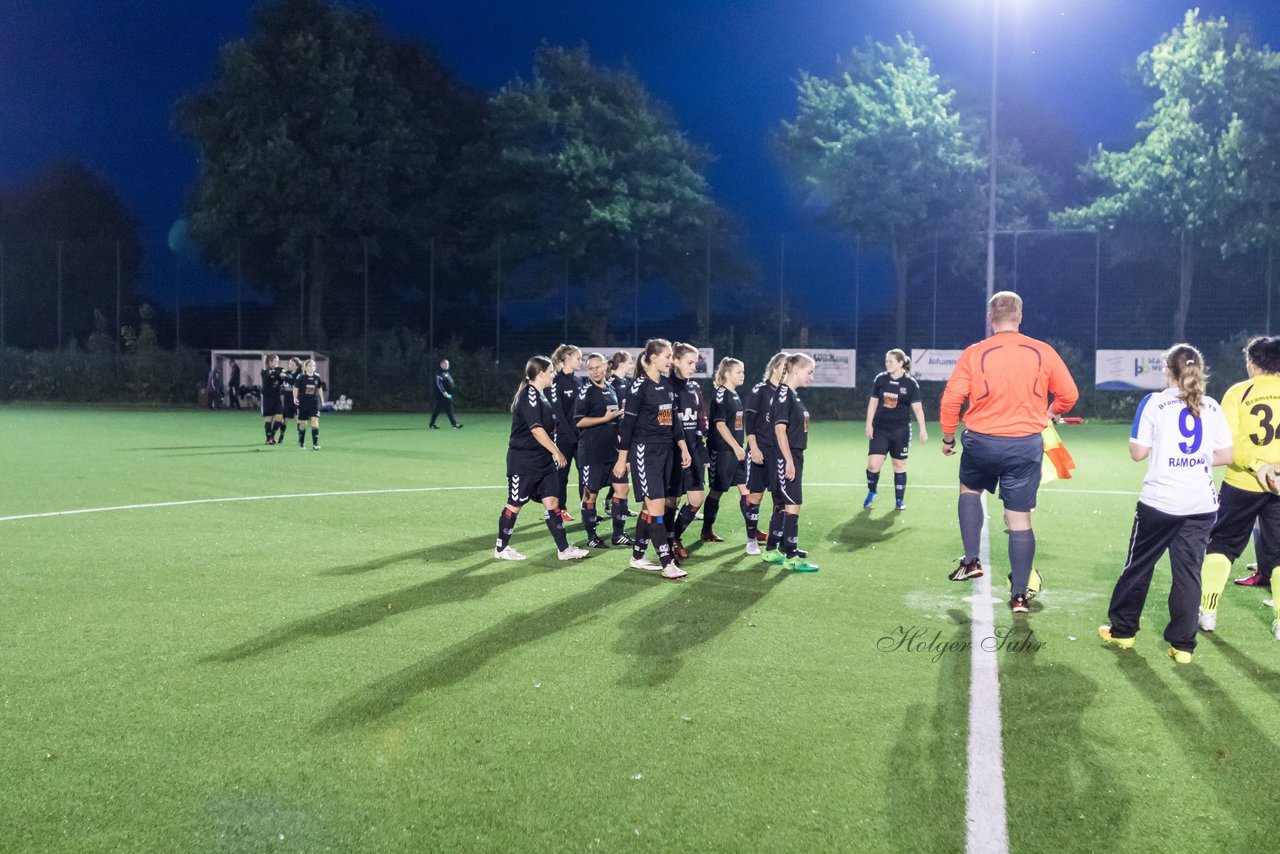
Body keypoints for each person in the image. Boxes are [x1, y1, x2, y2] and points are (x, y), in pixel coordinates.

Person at [939, 291, 1079, 613]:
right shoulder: (1041, 351)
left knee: (970, 490)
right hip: (1024, 445)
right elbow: (1069, 394)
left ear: (991, 318)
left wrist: (948, 437)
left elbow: (951, 400)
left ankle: (971, 559)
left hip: (981, 441)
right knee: (1020, 520)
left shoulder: (975, 353)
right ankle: (1018, 596)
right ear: (1020, 316)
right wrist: (1051, 411)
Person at [1098, 344, 1233, 664]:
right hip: (1200, 504)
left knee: (1139, 565)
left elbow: (1137, 453)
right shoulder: (1212, 405)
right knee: (1188, 574)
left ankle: (1124, 632)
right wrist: (1196, 461)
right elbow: (1227, 456)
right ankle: (1183, 646)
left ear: (1168, 372)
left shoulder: (1154, 403)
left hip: (1159, 502)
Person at [1197, 335, 1280, 641]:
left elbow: (1228, 445)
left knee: (1222, 545)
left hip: (1241, 483)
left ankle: (1208, 612)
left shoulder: (1238, 393)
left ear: (1254, 363)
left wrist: (1258, 466)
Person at [494, 356, 589, 561]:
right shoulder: (529, 395)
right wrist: (557, 451)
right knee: (515, 503)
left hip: (543, 461)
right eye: (551, 371)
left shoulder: (541, 395)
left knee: (552, 501)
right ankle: (501, 548)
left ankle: (564, 549)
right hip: (524, 461)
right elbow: (536, 430)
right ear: (540, 374)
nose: (553, 374)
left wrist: (550, 454)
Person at [614, 338, 691, 580]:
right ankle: (667, 563)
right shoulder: (638, 387)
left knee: (650, 508)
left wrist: (683, 447)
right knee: (657, 509)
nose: (670, 361)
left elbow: (675, 422)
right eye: (667, 357)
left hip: (666, 452)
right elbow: (627, 427)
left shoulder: (667, 386)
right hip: (644, 453)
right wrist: (621, 459)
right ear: (652, 358)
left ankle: (637, 556)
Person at [864, 349, 928, 510]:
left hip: (900, 431)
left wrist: (923, 429)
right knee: (873, 465)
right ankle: (872, 492)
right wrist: (869, 423)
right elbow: (873, 403)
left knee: (898, 465)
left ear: (900, 363)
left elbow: (918, 409)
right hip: (880, 429)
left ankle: (899, 501)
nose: (887, 364)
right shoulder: (881, 379)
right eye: (886, 361)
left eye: (891, 361)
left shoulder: (910, 383)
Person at [574, 352, 624, 549]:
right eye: (591, 368)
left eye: (598, 367)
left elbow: (614, 418)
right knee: (590, 495)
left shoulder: (611, 389)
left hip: (612, 451)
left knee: (622, 489)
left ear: (605, 367)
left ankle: (618, 534)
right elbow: (578, 421)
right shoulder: (585, 391)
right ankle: (591, 536)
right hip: (592, 452)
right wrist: (604, 419)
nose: (595, 371)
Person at [743, 353, 790, 555]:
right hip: (759, 450)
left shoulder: (786, 392)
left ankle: (776, 541)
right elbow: (749, 421)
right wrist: (753, 447)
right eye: (783, 368)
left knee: (780, 498)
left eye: (789, 369)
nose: (785, 372)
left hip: (777, 453)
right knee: (755, 496)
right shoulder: (760, 390)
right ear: (774, 367)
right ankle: (751, 539)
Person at [667, 342, 710, 559]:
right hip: (673, 454)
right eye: (690, 362)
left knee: (696, 499)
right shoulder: (666, 386)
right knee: (671, 502)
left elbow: (702, 419)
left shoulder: (695, 388)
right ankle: (666, 543)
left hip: (693, 451)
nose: (694, 367)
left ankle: (674, 535)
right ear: (675, 360)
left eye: (696, 363)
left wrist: (702, 448)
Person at [702, 357, 750, 545]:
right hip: (721, 452)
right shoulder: (721, 395)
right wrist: (736, 447)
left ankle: (752, 532)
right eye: (739, 372)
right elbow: (720, 425)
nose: (742, 375)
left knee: (746, 489)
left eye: (743, 372)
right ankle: (706, 530)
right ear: (727, 374)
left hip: (736, 452)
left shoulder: (735, 394)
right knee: (716, 491)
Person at [605, 351, 637, 545]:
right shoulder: (614, 384)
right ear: (622, 363)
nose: (632, 364)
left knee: (622, 480)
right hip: (616, 437)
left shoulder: (626, 383)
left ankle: (616, 505)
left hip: (627, 434)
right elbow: (614, 414)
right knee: (617, 475)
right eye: (630, 361)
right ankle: (609, 503)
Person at [550, 344, 584, 521]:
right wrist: (571, 436)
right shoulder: (556, 380)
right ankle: (560, 508)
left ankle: (586, 508)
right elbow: (558, 412)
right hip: (564, 437)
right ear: (567, 358)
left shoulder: (579, 381)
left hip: (581, 436)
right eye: (578, 358)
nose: (581, 361)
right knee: (561, 474)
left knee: (584, 474)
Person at [293, 359, 327, 450]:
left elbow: (319, 388)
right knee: (303, 423)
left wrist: (322, 400)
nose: (312, 368)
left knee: (315, 421)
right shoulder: (301, 377)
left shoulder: (317, 377)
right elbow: (296, 389)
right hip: (303, 402)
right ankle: (301, 442)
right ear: (306, 367)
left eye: (314, 366)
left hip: (314, 402)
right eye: (310, 366)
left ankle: (315, 444)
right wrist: (295, 398)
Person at [429, 358, 462, 429]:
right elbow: (439, 384)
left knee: (437, 409)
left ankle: (432, 424)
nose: (447, 365)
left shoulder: (447, 373)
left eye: (448, 364)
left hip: (447, 395)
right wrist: (444, 392)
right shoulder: (439, 374)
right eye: (445, 364)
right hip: (442, 395)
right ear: (441, 365)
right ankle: (454, 424)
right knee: (448, 409)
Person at [259, 355, 285, 444]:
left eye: (278, 361)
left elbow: (285, 374)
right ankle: (268, 439)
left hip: (276, 396)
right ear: (270, 362)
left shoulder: (279, 369)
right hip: (267, 397)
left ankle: (272, 436)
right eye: (275, 361)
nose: (277, 363)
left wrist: (283, 375)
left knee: (279, 416)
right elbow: (267, 379)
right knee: (268, 418)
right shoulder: (264, 370)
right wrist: (278, 374)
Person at [279, 357, 301, 445]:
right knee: (284, 419)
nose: (290, 366)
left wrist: (285, 377)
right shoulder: (287, 373)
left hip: (297, 399)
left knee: (298, 418)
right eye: (289, 364)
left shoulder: (300, 374)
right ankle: (281, 436)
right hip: (287, 399)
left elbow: (293, 383)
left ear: (297, 366)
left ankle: (300, 437)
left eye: (292, 364)